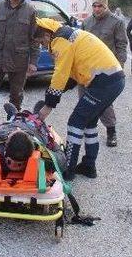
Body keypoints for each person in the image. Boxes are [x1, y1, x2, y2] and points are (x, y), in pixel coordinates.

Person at [34, 18, 125, 180]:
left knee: (75, 122)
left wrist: (49, 105)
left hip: (104, 81)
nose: (41, 45)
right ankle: (89, 166)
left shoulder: (60, 40)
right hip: (112, 79)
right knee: (89, 122)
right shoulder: (66, 34)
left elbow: (60, 74)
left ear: (47, 34)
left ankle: (68, 170)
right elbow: (71, 74)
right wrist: (56, 94)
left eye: (41, 41)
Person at [80, 0, 128, 147]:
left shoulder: (117, 22)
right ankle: (83, 129)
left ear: (106, 5)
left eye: (100, 5)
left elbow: (121, 45)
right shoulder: (86, 22)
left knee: (105, 103)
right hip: (87, 69)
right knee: (84, 100)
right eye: (94, 5)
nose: (97, 9)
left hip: (106, 70)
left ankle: (111, 131)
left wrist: (120, 66)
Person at [0, 102, 67, 173]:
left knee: (31, 122)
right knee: (33, 122)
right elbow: (61, 160)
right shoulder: (43, 156)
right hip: (17, 128)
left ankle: (22, 115)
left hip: (25, 130)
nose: (15, 167)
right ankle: (27, 115)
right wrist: (54, 143)